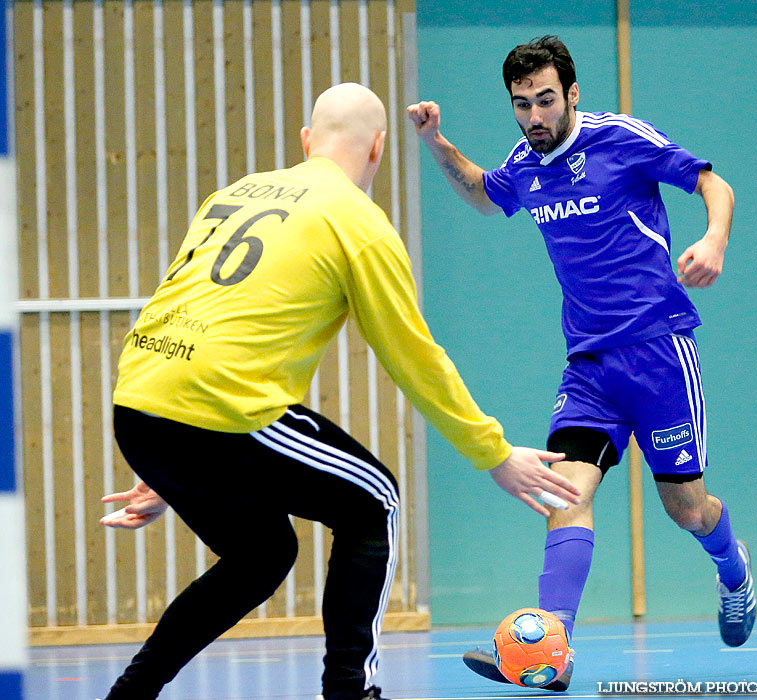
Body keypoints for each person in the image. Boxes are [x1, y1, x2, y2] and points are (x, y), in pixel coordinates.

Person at [94, 82, 581, 700]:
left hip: (140, 400)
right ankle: (351, 692)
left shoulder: (234, 193)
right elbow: (412, 356)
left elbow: (182, 300)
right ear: (378, 148)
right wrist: (492, 451)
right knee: (375, 499)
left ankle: (129, 694)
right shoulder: (357, 221)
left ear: (306, 142)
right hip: (218, 408)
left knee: (261, 556)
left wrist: (168, 453)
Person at [408, 35, 756, 690]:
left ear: (571, 94)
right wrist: (435, 142)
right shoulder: (525, 162)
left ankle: (732, 569)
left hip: (659, 352)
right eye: (521, 105)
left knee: (686, 509)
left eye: (545, 100)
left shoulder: (620, 139)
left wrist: (713, 239)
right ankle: (554, 648)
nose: (534, 117)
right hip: (589, 365)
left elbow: (713, 184)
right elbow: (488, 194)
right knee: (562, 492)